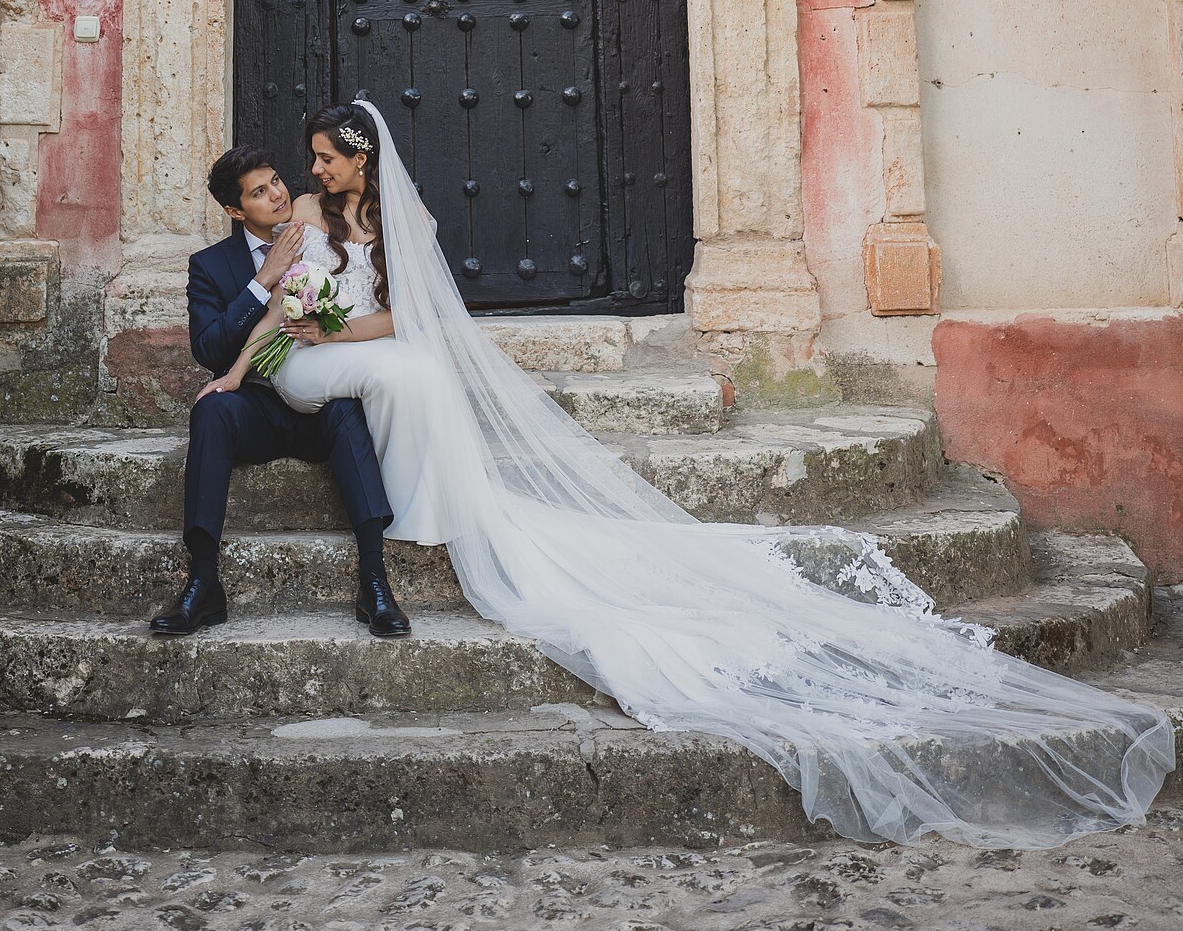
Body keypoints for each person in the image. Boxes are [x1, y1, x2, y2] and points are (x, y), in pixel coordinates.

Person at [243, 96, 1176, 851]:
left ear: (361, 161)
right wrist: (294, 333)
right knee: (413, 377)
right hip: (326, 354)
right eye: (313, 160)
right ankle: (422, 503)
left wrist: (334, 327)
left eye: (325, 159)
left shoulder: (402, 220)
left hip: (364, 344)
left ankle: (439, 503)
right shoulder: (309, 222)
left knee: (422, 370)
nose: (312, 171)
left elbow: (413, 317)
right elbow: (288, 305)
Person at [148, 145, 409, 639]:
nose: (277, 194)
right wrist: (261, 280)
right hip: (258, 404)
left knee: (348, 412)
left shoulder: (323, 228)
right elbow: (209, 349)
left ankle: (375, 582)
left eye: (275, 181)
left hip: (320, 398)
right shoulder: (209, 265)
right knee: (211, 412)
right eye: (259, 192)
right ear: (234, 210)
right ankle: (202, 583)